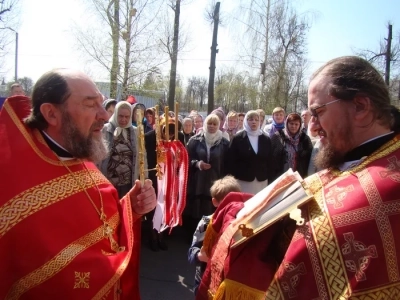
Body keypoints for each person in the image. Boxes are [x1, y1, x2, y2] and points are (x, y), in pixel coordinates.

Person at [197, 56, 400, 300]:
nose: (312, 127)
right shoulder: (353, 162)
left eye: (318, 112)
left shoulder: (388, 186)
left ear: (360, 107)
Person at [0, 69, 156, 299]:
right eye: (90, 104)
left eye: (101, 104)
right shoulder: (10, 182)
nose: (104, 115)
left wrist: (130, 207)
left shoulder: (79, 157)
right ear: (52, 114)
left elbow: (103, 228)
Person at [188, 175, 241, 296]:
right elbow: (192, 251)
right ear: (215, 202)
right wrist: (201, 256)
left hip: (228, 281)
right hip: (205, 277)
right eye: (226, 203)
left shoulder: (242, 223)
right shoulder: (207, 223)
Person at [144, 112, 185, 251]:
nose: (170, 136)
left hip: (170, 178)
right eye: (168, 131)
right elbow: (146, 158)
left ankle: (161, 235)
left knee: (165, 206)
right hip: (155, 177)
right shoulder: (150, 137)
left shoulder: (179, 138)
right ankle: (152, 236)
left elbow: (181, 157)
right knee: (154, 208)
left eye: (173, 133)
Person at [185, 114, 230, 239]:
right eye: (209, 123)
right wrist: (198, 164)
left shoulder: (224, 143)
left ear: (219, 125)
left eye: (215, 124)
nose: (211, 126)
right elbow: (186, 159)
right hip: (198, 181)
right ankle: (193, 236)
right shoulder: (195, 140)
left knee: (212, 207)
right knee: (196, 207)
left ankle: (209, 236)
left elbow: (227, 163)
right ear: (205, 124)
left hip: (215, 180)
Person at [99, 101, 146, 198]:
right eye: (120, 116)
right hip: (108, 183)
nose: (123, 119)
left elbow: (142, 156)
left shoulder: (136, 132)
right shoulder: (104, 130)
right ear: (116, 114)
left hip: (128, 184)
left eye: (127, 117)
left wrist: (144, 178)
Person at [226, 110, 276, 194]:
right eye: (251, 119)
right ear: (246, 121)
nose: (254, 122)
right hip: (242, 181)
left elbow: (270, 161)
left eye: (257, 120)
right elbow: (230, 161)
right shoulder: (237, 138)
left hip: (262, 181)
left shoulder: (266, 139)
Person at [270, 112, 313, 178]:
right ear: (287, 123)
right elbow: (272, 159)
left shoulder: (305, 139)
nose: (293, 126)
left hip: (299, 176)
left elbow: (309, 159)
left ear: (300, 125)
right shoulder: (277, 137)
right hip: (280, 176)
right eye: (291, 124)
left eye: (296, 124)